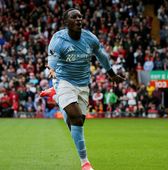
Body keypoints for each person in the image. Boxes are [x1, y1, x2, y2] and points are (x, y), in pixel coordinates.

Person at [42, 8, 125, 170]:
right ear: (67, 22)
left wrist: (111, 74)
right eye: (74, 17)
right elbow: (52, 59)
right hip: (63, 81)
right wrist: (51, 70)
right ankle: (85, 163)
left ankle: (57, 96)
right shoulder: (59, 39)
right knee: (77, 118)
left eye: (80, 17)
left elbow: (101, 55)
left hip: (82, 84)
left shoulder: (89, 38)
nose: (79, 19)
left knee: (75, 123)